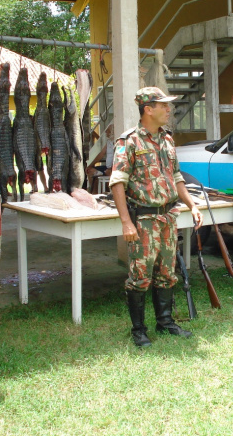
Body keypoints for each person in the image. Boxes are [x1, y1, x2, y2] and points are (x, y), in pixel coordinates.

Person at [110, 87, 203, 347]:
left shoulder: (168, 140)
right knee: (140, 275)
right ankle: (138, 330)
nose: (168, 109)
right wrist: (126, 222)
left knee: (167, 273)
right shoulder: (129, 141)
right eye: (163, 105)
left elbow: (176, 177)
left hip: (168, 217)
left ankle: (165, 322)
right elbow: (117, 182)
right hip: (143, 220)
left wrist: (191, 205)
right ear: (148, 109)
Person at [86, 123, 114, 193]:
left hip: (113, 168)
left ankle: (108, 193)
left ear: (112, 132)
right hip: (107, 167)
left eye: (107, 130)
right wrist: (90, 165)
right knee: (89, 171)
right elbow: (100, 155)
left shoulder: (117, 142)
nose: (105, 132)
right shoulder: (109, 142)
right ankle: (93, 193)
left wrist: (111, 168)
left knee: (110, 174)